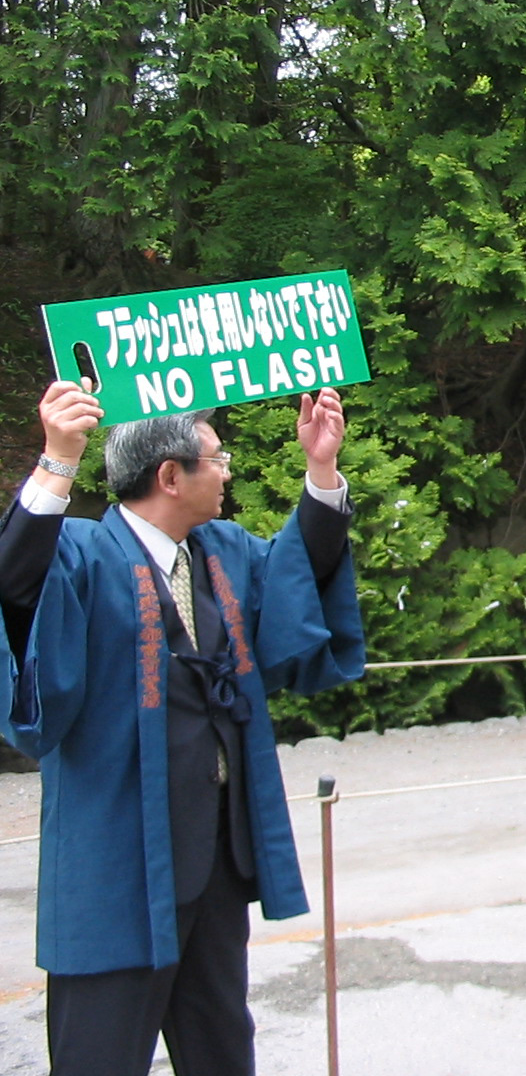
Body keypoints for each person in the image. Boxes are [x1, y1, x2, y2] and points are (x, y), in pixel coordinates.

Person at [0, 380, 365, 1076]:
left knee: (222, 1049)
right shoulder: (79, 553)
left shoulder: (221, 553)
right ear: (171, 475)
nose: (227, 474)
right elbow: (16, 588)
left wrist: (321, 471)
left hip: (214, 861)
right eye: (218, 461)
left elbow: (295, 579)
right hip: (116, 861)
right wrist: (57, 460)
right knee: (98, 1056)